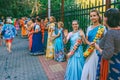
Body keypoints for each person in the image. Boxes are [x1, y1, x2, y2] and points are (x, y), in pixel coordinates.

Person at [94, 8, 120, 80]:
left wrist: (97, 48)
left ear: (108, 19)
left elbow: (107, 55)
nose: (103, 18)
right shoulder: (117, 30)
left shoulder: (111, 33)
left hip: (111, 68)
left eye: (105, 16)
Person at [81, 9, 106, 80]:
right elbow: (86, 41)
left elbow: (105, 42)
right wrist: (83, 36)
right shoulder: (89, 28)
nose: (92, 17)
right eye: (91, 16)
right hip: (89, 51)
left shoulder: (102, 28)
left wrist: (98, 43)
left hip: (97, 52)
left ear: (98, 16)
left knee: (94, 70)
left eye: (94, 15)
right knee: (86, 70)